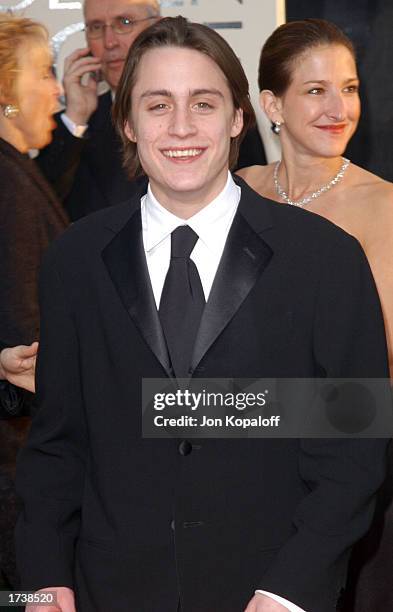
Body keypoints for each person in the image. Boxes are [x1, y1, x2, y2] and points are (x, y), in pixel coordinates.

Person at [16, 16, 389, 612]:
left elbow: (353, 448)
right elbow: (57, 446)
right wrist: (38, 581)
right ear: (127, 122)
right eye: (158, 104)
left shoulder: (325, 259)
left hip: (271, 592)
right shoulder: (75, 261)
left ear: (239, 117)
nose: (182, 127)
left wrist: (290, 590)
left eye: (204, 103)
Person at [237, 18, 393, 380]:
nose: (340, 111)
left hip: (340, 424)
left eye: (349, 88)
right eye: (316, 91)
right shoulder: (242, 189)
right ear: (273, 107)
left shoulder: (383, 208)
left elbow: (379, 354)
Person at [36, 0, 265, 221]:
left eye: (124, 22)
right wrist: (76, 118)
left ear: (158, 26)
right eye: (96, 27)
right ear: (128, 125)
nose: (109, 42)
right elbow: (33, 209)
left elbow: (254, 203)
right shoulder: (74, 126)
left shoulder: (222, 112)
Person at [0, 12, 67, 587]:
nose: (57, 89)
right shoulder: (8, 183)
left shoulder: (19, 173)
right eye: (44, 74)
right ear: (5, 92)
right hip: (16, 470)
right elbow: (25, 335)